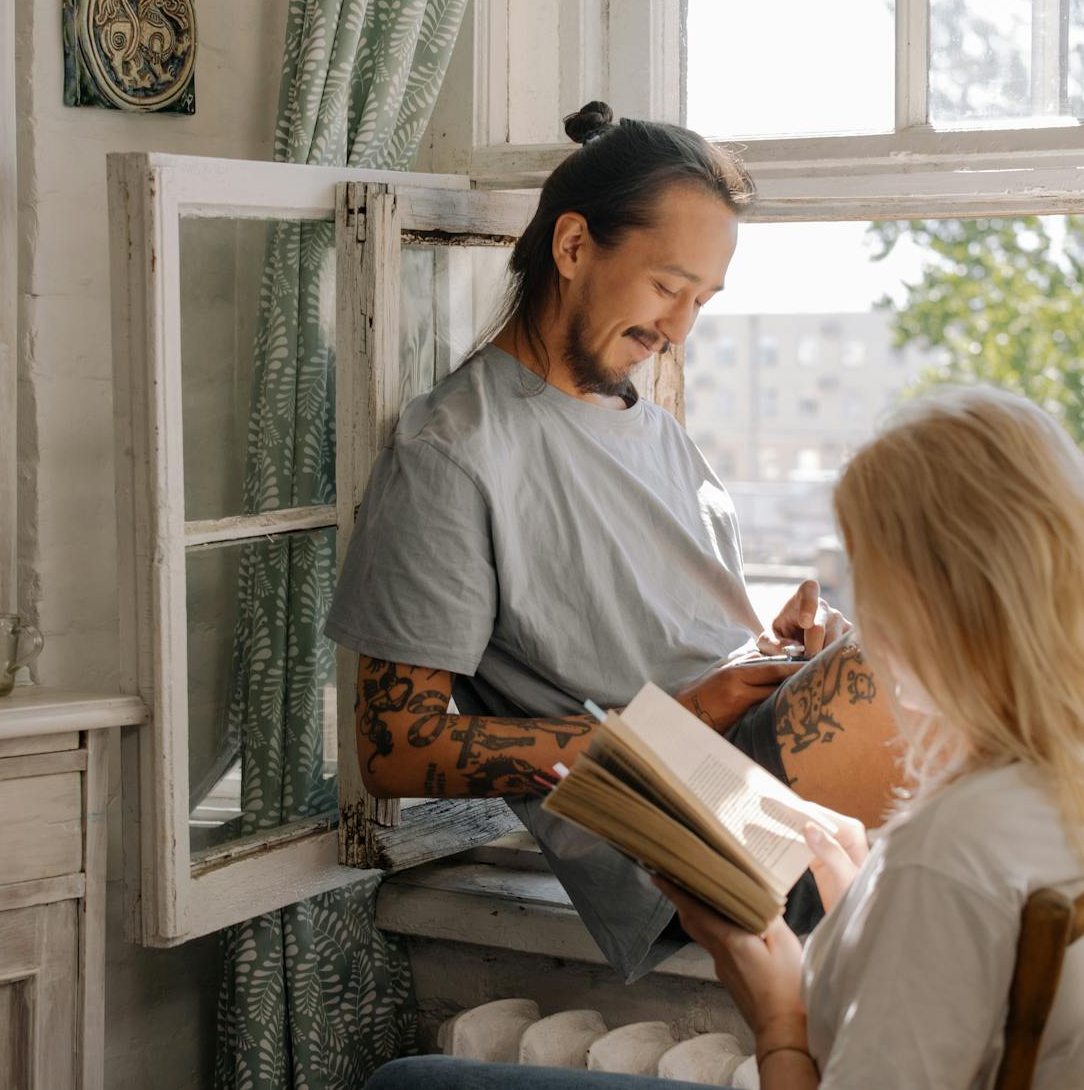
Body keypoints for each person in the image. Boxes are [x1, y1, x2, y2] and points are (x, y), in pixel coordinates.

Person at [364, 386, 1084, 1088]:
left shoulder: (948, 855)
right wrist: (860, 893)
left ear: (937, 606)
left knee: (412, 1079)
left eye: (871, 580)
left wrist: (777, 1012)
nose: (865, 623)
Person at [326, 101, 902, 983]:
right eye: (668, 287)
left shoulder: (658, 430)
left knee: (974, 637)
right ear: (571, 248)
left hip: (753, 765)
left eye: (701, 301)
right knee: (938, 657)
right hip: (675, 829)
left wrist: (776, 653)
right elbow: (393, 747)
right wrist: (686, 717)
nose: (680, 328)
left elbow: (672, 648)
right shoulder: (451, 454)